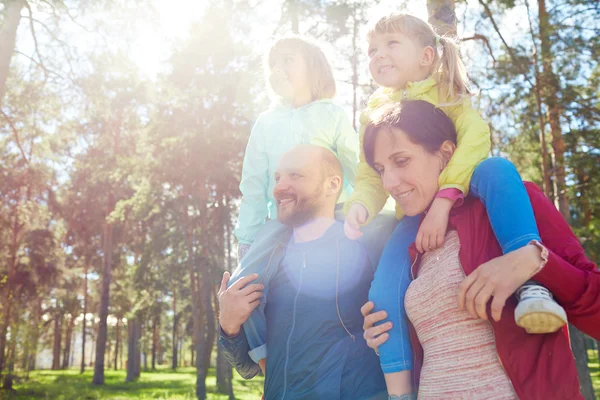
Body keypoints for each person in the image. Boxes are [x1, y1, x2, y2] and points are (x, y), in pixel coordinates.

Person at [341, 13, 566, 398]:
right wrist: (362, 203)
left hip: (467, 182)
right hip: (414, 214)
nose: (378, 55)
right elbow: (369, 174)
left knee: (496, 169)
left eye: (391, 44)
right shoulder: (374, 113)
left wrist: (446, 197)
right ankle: (398, 391)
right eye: (372, 50)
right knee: (382, 292)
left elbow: (475, 143)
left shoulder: (446, 96)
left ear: (427, 56)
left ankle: (530, 286)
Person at [361, 100, 600, 399]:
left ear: (445, 153)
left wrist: (536, 261)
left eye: (401, 161)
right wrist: (384, 334)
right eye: (381, 169)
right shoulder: (408, 241)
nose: (389, 182)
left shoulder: (510, 203)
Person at [219, 144, 387, 400]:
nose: (279, 187)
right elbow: (248, 367)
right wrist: (228, 325)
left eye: (295, 175)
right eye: (278, 178)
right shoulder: (269, 260)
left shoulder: (368, 245)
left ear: (333, 185)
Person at [235, 35, 359, 261]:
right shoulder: (265, 122)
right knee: (250, 285)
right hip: (283, 224)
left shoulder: (332, 115)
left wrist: (376, 211)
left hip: (332, 220)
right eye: (272, 64)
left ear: (313, 68)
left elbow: (358, 169)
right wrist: (247, 240)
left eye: (288, 60)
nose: (277, 69)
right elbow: (253, 184)